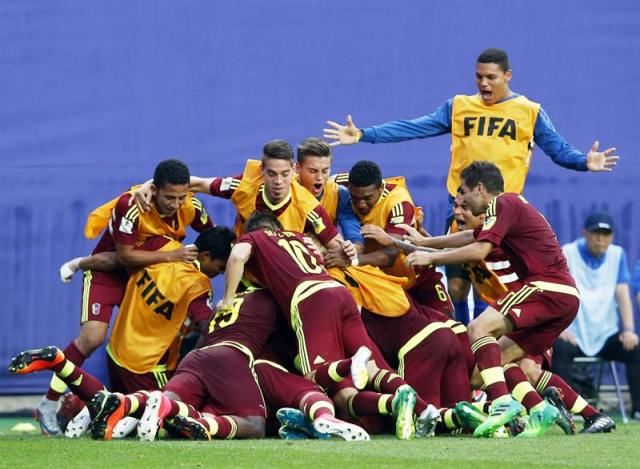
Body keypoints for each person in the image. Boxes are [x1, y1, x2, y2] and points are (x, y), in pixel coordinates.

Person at [323, 47, 619, 333]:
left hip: (501, 217)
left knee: (490, 290)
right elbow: (413, 127)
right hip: (462, 211)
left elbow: (558, 149)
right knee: (456, 285)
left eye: (491, 77)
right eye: (479, 76)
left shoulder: (529, 112)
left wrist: (584, 161)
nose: (483, 82)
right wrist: (364, 134)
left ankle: (486, 353)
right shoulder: (460, 106)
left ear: (508, 76)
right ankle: (463, 346)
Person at [405, 161, 581, 438]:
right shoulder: (508, 209)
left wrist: (431, 257)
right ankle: (541, 410)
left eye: (463, 192)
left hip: (546, 287)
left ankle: (501, 404)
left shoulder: (504, 202)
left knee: (477, 328)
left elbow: (478, 249)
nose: (461, 199)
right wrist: (425, 242)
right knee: (487, 367)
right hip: (562, 297)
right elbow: (470, 236)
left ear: (479, 188)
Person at [38, 159, 212, 435]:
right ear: (154, 190)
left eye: (181, 197)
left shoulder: (191, 205)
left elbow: (210, 237)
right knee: (92, 338)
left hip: (145, 276)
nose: (175, 204)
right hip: (110, 273)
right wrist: (174, 254)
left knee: (159, 337)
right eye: (169, 197)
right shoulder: (131, 206)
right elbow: (124, 256)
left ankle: (101, 408)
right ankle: (48, 405)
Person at [553, 212, 640, 422]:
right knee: (558, 349)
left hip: (605, 334)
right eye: (596, 233)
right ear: (585, 233)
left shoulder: (617, 255)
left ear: (612, 236)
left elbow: (622, 294)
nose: (601, 238)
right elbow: (558, 292)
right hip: (573, 333)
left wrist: (629, 330)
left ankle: (638, 410)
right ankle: (565, 410)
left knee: (636, 348)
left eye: (606, 234)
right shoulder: (568, 253)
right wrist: (561, 329)